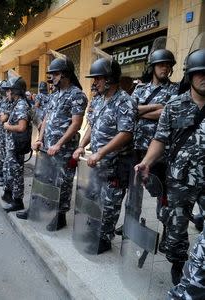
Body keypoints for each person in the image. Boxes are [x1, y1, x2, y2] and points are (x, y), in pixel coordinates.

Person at [135, 48, 205, 285]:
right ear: (190, 75)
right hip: (180, 179)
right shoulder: (175, 105)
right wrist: (146, 162)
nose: (204, 77)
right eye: (199, 73)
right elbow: (160, 140)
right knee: (175, 230)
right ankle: (178, 265)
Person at [73, 58, 136, 254]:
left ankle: (104, 238)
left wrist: (101, 152)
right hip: (96, 163)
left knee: (110, 203)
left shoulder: (125, 101)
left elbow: (125, 133)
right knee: (93, 197)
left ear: (110, 79)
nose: (95, 83)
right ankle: (93, 230)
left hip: (115, 164)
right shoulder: (98, 100)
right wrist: (82, 145)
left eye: (98, 79)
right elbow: (92, 125)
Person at [18, 56, 87, 232]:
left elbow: (76, 124)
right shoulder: (54, 95)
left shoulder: (77, 95)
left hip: (64, 149)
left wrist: (59, 144)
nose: (52, 78)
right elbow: (46, 119)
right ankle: (37, 208)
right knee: (43, 177)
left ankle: (60, 216)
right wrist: (40, 138)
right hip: (47, 145)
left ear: (65, 74)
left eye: (55, 74)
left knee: (63, 181)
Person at [124, 49, 179, 248]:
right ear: (153, 67)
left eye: (168, 65)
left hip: (160, 152)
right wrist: (153, 107)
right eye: (161, 64)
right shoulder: (139, 89)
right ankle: (129, 224)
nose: (165, 68)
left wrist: (142, 111)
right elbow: (130, 110)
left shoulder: (175, 90)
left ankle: (166, 235)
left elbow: (167, 113)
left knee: (163, 194)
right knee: (134, 191)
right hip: (138, 147)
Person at [1, 76, 31, 213]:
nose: (7, 93)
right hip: (12, 146)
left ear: (16, 91)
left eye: (9, 90)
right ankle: (11, 196)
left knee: (17, 174)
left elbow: (21, 127)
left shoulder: (21, 105)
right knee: (10, 171)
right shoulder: (16, 103)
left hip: (17, 146)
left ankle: (18, 202)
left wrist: (7, 126)